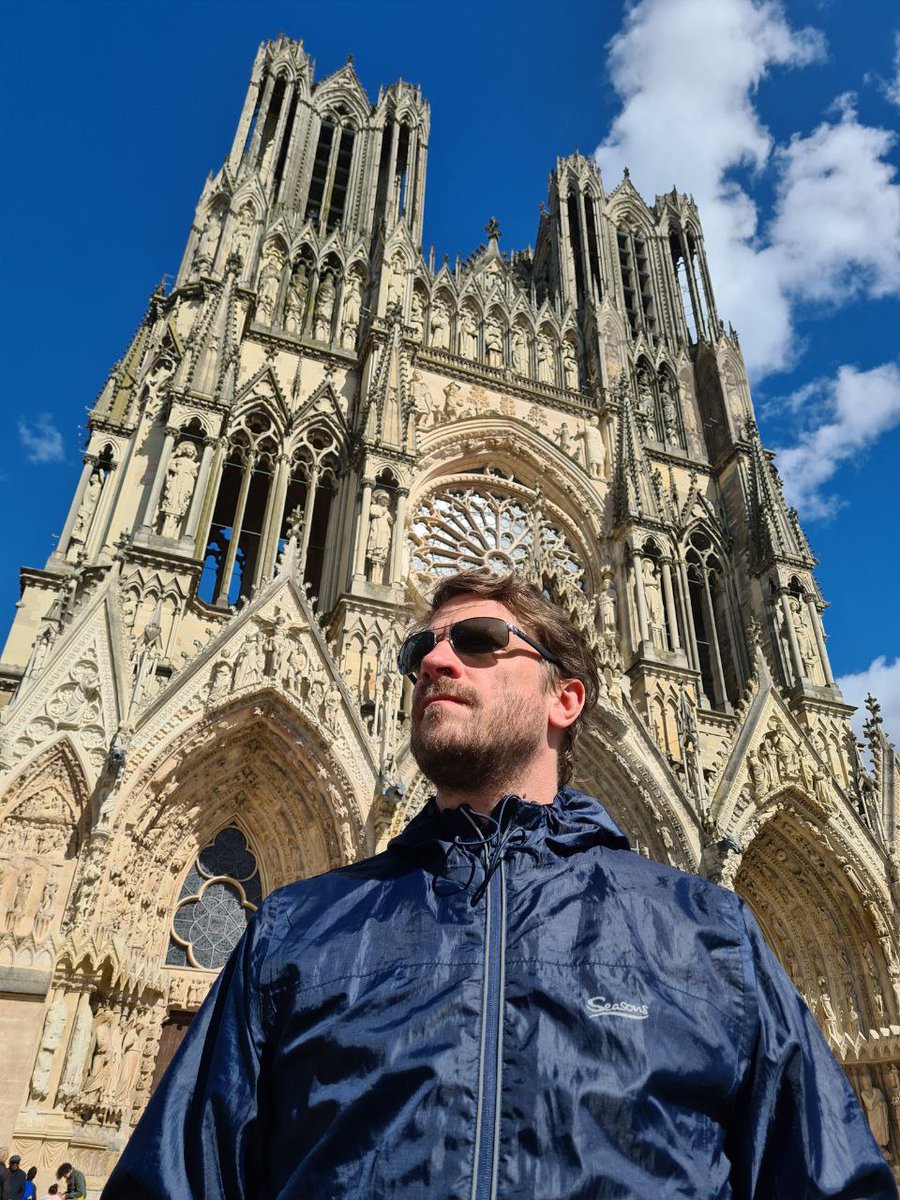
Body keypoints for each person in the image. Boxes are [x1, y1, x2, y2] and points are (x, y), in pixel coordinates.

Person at [103, 569, 895, 1197]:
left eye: (480, 641)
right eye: (421, 651)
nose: (435, 662)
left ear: (566, 698)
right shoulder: (296, 931)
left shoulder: (708, 936)